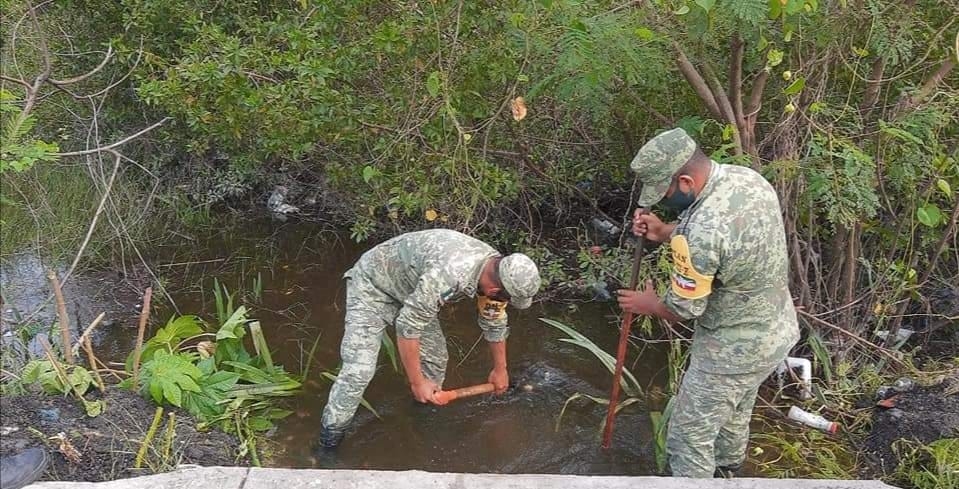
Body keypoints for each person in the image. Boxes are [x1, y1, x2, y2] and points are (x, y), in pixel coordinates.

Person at [616, 128, 800, 478]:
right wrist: (666, 231)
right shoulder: (746, 180)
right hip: (776, 332)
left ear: (686, 180)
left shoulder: (701, 232)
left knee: (688, 438)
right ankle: (729, 471)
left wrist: (649, 303)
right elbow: (724, 238)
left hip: (731, 350)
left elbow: (683, 309)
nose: (661, 203)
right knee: (733, 414)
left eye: (665, 194)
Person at [318, 229, 541, 448]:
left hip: (412, 290)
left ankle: (423, 410)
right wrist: (416, 382)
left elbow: (494, 321)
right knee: (359, 371)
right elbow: (407, 327)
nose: (504, 301)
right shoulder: (448, 275)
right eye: (507, 298)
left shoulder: (496, 269)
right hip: (372, 284)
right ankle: (329, 439)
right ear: (494, 289)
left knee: (435, 361)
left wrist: (500, 369)